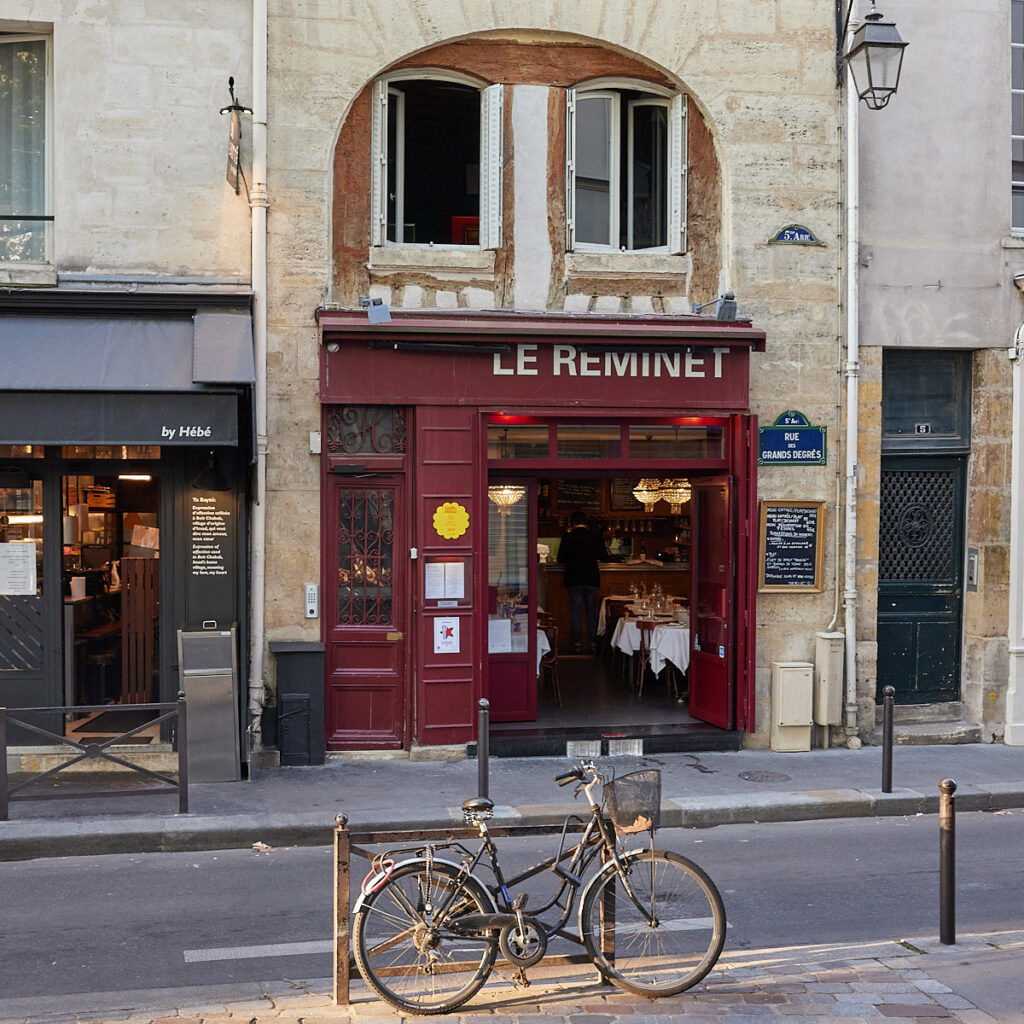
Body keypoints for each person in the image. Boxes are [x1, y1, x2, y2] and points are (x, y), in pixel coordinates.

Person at [558, 510, 609, 653]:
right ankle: (593, 644)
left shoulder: (567, 537)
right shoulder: (595, 537)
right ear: (586, 523)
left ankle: (577, 644)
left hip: (574, 579)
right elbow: (604, 557)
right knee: (591, 612)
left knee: (576, 613)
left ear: (573, 523)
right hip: (591, 578)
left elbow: (560, 559)